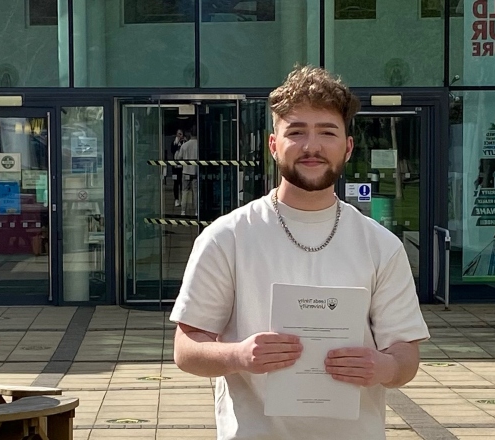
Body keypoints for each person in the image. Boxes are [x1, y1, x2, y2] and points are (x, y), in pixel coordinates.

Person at [170, 66, 430, 440]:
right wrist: (239, 356)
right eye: (296, 132)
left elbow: (405, 355)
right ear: (274, 145)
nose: (312, 146)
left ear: (348, 146)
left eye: (327, 132)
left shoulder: (380, 245)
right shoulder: (227, 236)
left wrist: (384, 368)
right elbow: (186, 348)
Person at [175, 128, 198, 216]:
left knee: (185, 191)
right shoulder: (198, 145)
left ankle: (183, 211)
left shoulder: (184, 145)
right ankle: (196, 211)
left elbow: (179, 157)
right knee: (195, 192)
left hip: (186, 171)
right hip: (195, 171)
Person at [171, 129, 186, 207]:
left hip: (182, 166)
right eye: (179, 134)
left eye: (181, 134)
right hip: (175, 166)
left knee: (182, 183)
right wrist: (177, 143)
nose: (180, 136)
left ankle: (182, 199)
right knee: (176, 183)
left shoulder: (184, 142)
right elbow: (172, 150)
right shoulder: (174, 142)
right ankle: (176, 199)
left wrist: (183, 142)